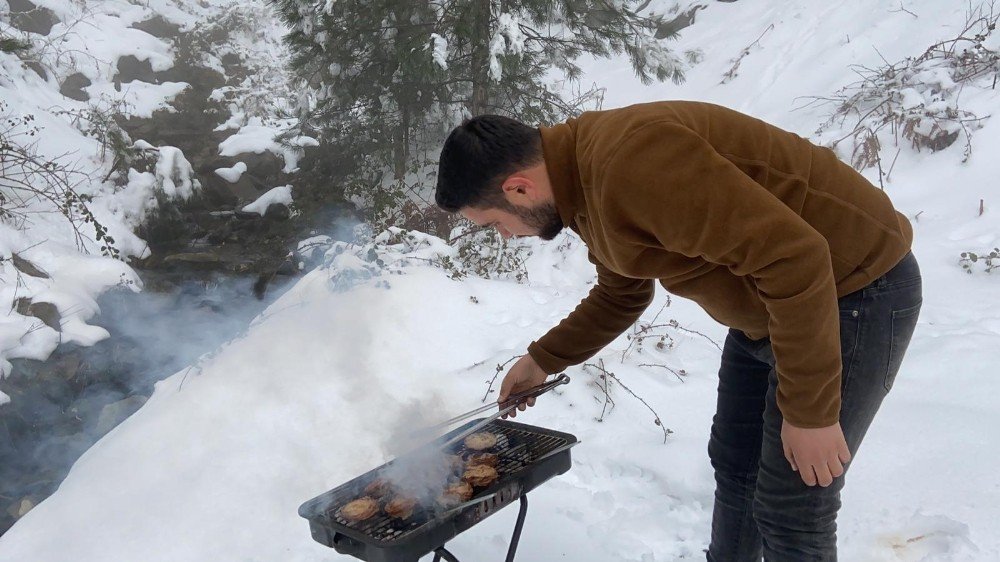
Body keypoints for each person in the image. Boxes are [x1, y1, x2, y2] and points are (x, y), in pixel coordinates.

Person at [433, 101, 921, 561]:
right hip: (770, 311)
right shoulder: (579, 185)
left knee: (793, 505)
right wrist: (542, 359)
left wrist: (811, 414)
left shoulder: (634, 163)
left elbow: (796, 258)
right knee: (736, 469)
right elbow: (622, 294)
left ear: (519, 189)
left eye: (494, 223)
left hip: (852, 291)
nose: (504, 236)